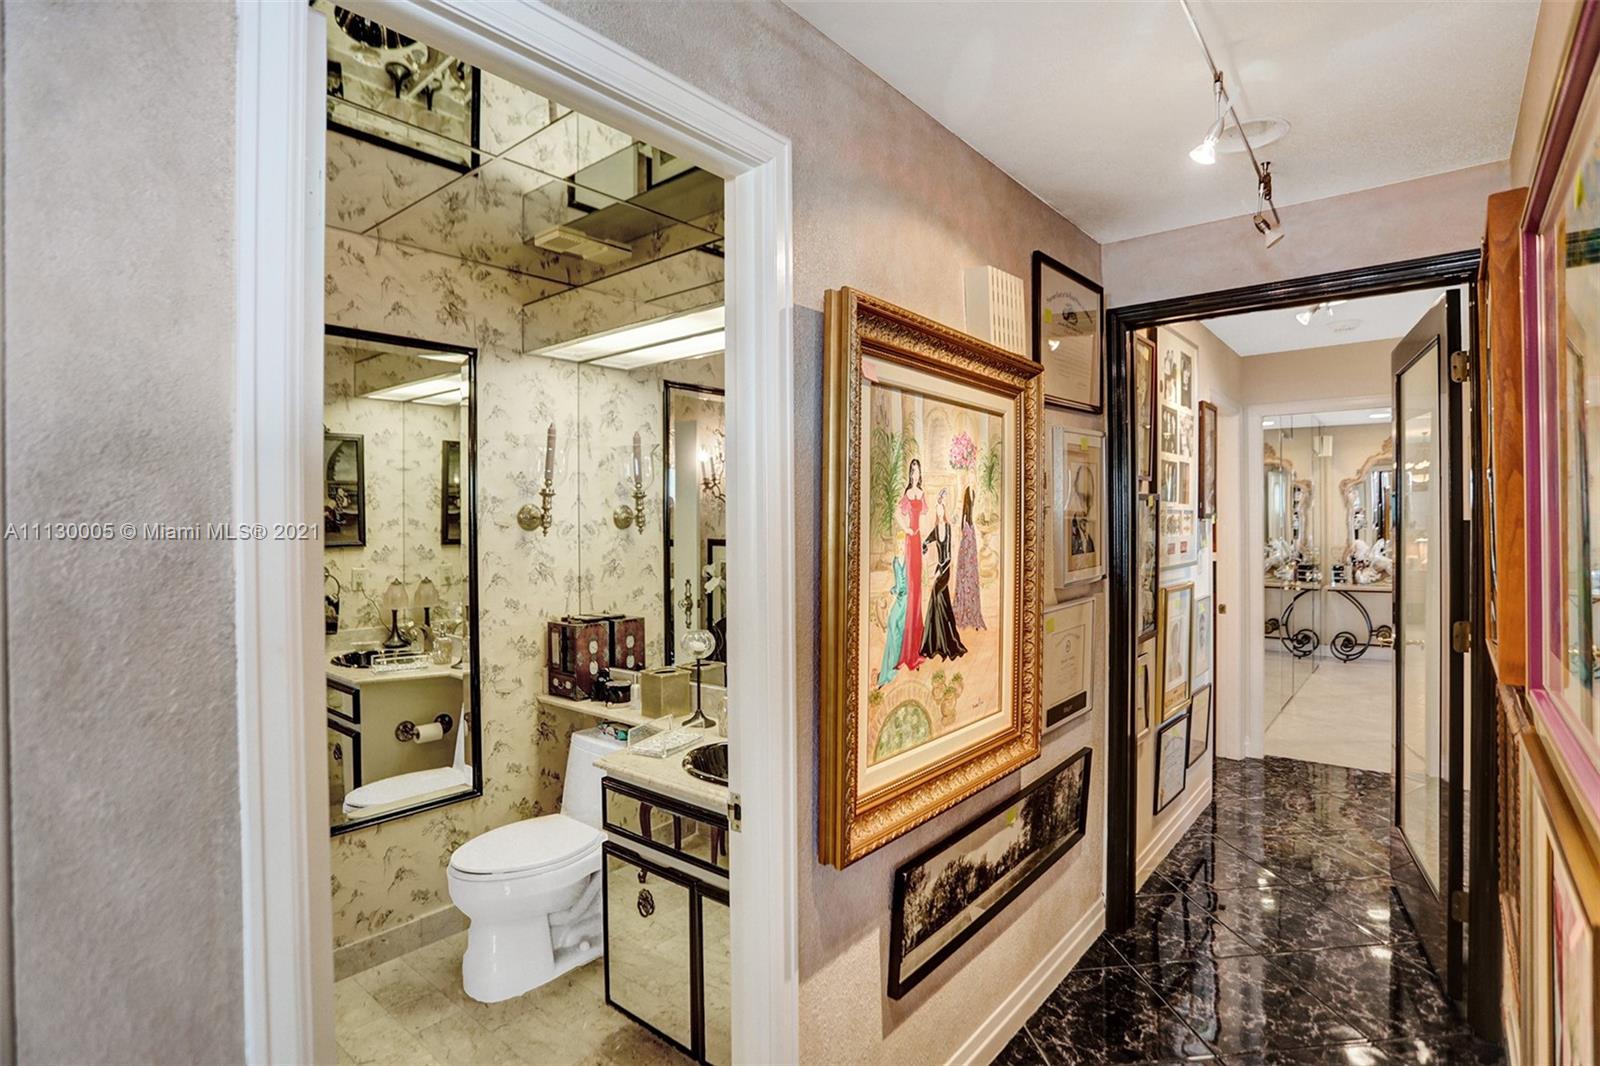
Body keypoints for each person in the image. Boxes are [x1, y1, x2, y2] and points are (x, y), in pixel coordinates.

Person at [919, 490, 967, 661]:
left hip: (945, 569)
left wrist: (940, 570)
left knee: (936, 594)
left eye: (941, 510)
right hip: (939, 568)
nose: (940, 513)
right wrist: (924, 550)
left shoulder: (947, 528)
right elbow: (925, 542)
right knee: (942, 601)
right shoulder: (935, 529)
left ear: (944, 511)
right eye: (937, 510)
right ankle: (938, 640)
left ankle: (943, 640)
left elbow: (948, 555)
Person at [896, 458, 927, 671]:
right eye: (912, 470)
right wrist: (906, 529)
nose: (915, 473)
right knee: (912, 589)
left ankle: (918, 643)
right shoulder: (907, 494)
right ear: (910, 473)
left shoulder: (921, 493)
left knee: (918, 589)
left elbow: (925, 517)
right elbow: (897, 513)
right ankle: (908, 650)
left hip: (919, 539)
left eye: (917, 470)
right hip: (910, 540)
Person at [876, 543, 909, 686]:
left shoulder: (908, 559)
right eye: (899, 544)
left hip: (907, 599)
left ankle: (894, 667)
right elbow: (899, 584)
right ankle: (889, 669)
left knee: (896, 627)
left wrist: (895, 591)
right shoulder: (896, 560)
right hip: (901, 598)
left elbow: (905, 584)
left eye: (903, 544)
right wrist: (892, 591)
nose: (901, 547)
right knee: (893, 626)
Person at [953, 486, 985, 629]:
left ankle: (971, 612)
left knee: (969, 583)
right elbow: (965, 545)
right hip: (966, 558)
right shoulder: (966, 520)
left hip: (969, 557)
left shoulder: (968, 520)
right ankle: (966, 612)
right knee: (966, 582)